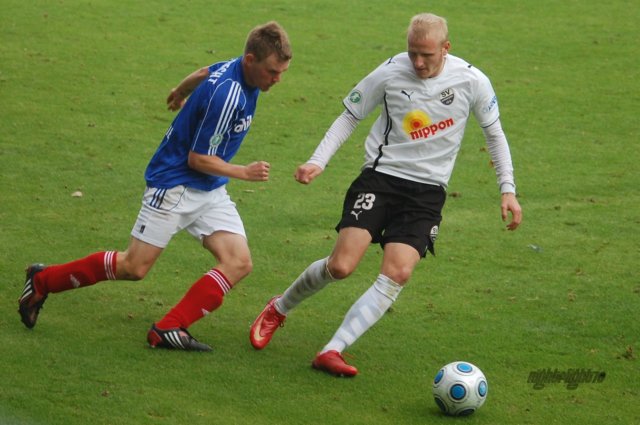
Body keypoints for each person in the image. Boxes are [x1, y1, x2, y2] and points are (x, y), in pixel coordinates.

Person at [250, 13, 522, 376]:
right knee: (341, 266)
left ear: (446, 48)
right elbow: (350, 115)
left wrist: (508, 189)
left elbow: (495, 134)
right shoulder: (391, 71)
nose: (418, 62)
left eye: (426, 54)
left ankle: (332, 350)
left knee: (398, 273)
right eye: (412, 53)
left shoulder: (472, 81)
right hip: (381, 179)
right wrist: (318, 160)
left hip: (427, 194)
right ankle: (279, 307)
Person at [18, 21, 292, 351]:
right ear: (250, 60)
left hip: (208, 189)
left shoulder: (236, 69)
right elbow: (197, 159)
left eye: (281, 72)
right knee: (133, 267)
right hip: (175, 184)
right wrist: (243, 172)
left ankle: (169, 328)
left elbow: (204, 72)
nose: (277, 79)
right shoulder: (228, 96)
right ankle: (42, 280)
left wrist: (180, 91)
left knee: (239, 261)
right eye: (272, 72)